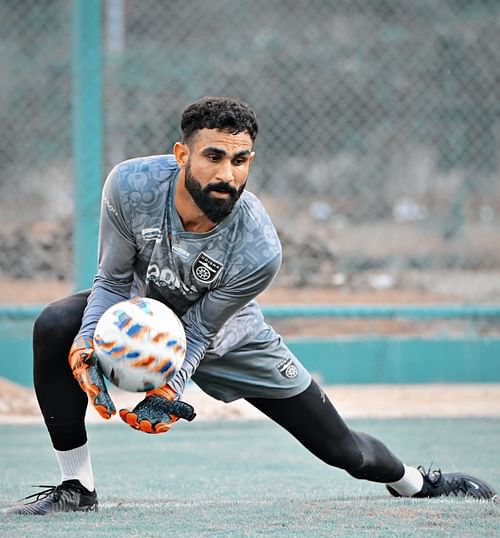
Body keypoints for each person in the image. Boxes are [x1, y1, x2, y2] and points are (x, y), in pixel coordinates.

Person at [6, 97, 495, 515]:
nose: (227, 174)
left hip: (230, 338)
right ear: (182, 155)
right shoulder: (130, 187)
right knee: (57, 325)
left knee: (343, 451)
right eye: (214, 156)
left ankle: (414, 482)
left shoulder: (260, 247)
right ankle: (77, 488)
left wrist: (168, 389)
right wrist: (88, 344)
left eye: (240, 160)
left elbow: (198, 332)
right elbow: (111, 281)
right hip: (140, 311)